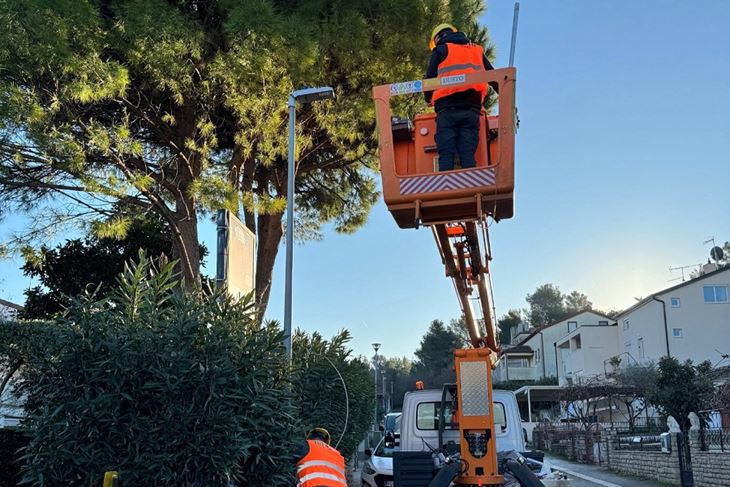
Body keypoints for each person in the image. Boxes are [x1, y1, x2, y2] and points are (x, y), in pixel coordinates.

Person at [424, 23, 496, 172]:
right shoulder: (476, 50)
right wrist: (505, 92)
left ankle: (446, 186)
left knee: (446, 153)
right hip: (471, 108)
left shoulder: (441, 49)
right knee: (467, 152)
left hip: (447, 108)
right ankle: (470, 186)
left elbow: (429, 78)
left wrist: (428, 98)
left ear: (437, 38)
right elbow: (493, 76)